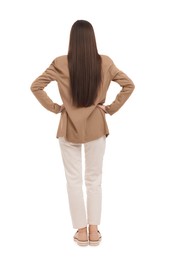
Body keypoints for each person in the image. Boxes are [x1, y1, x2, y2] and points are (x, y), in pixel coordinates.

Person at [30, 20, 135, 246]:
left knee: (73, 181)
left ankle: (81, 230)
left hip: (68, 127)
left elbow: (36, 86)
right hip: (96, 126)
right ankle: (94, 231)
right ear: (92, 40)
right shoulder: (105, 62)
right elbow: (129, 85)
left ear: (72, 40)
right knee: (94, 180)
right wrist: (110, 109)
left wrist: (57, 108)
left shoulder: (59, 63)